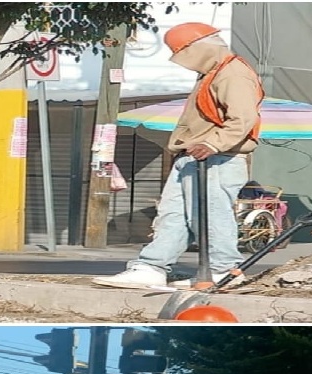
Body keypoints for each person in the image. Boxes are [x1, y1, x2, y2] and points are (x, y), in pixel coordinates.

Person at [92, 23, 263, 289]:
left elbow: (243, 119)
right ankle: (152, 267)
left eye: (181, 54)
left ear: (195, 49)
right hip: (198, 158)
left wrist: (213, 144)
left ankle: (223, 270)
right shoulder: (214, 73)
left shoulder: (232, 74)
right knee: (173, 215)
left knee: (211, 215)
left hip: (217, 159)